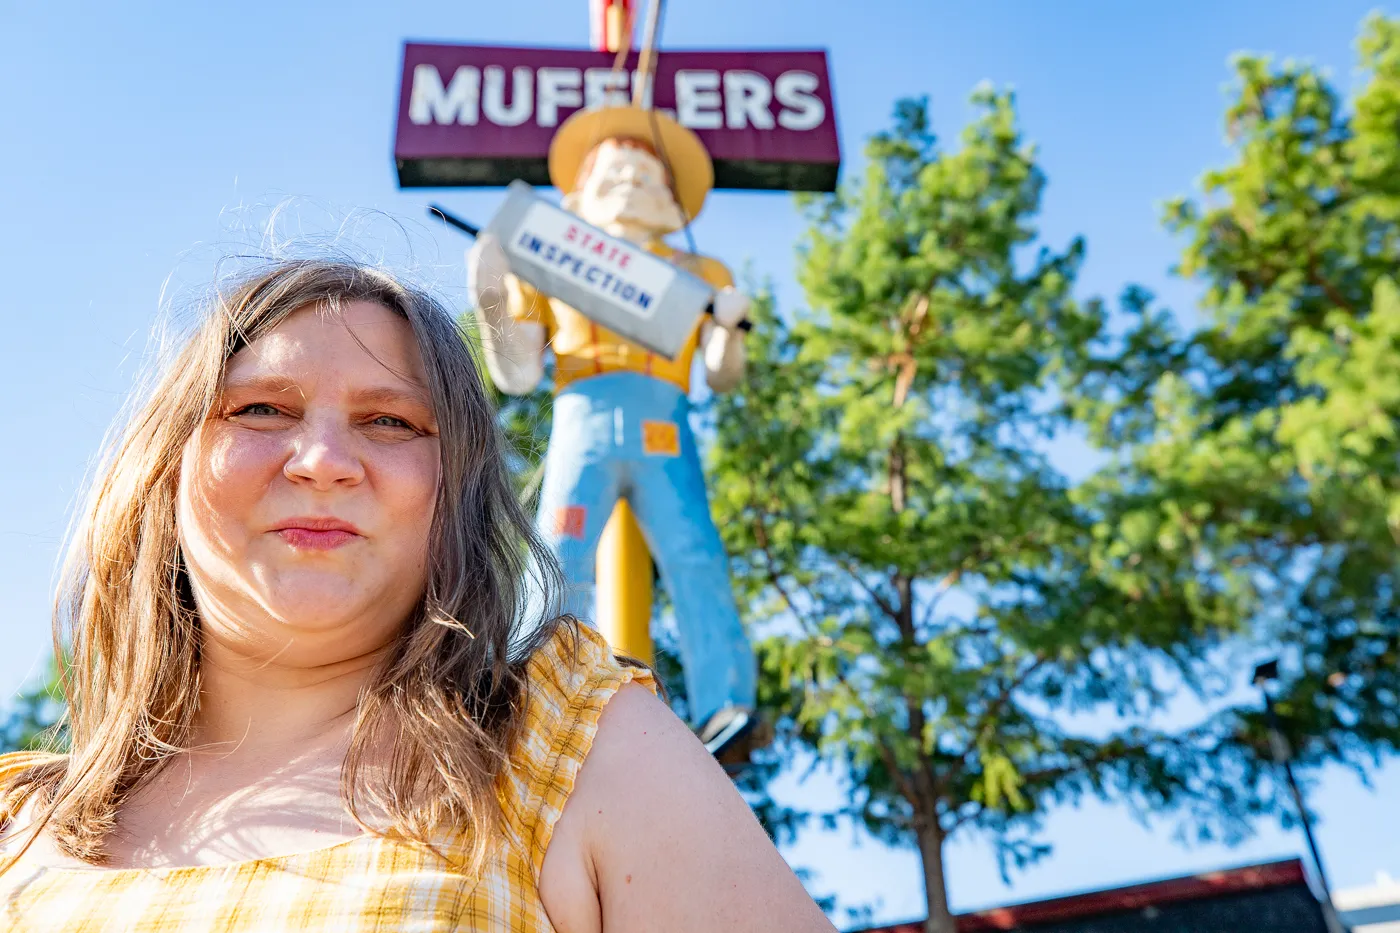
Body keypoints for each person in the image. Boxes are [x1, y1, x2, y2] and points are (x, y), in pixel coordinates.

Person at [0, 260, 835, 932]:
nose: (322, 459)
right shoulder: (14, 822)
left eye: (391, 422)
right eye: (260, 408)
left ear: (459, 492)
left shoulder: (573, 747)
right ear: (165, 472)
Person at [468, 104, 757, 759]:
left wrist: (731, 329)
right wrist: (490, 299)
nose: (629, 182)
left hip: (665, 425)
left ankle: (725, 699)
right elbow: (516, 372)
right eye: (613, 172)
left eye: (644, 173)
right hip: (582, 419)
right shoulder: (549, 260)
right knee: (556, 552)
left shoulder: (703, 273)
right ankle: (533, 685)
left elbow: (722, 371)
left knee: (695, 555)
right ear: (577, 193)